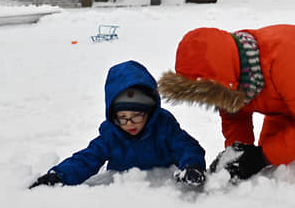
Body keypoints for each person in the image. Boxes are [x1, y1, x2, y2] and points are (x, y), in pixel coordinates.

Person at [157, 24, 295, 183]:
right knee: (277, 170)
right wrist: (237, 154)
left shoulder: (282, 61)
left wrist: (260, 156)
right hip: (286, 104)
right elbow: (235, 120)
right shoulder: (225, 75)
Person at [29, 60, 206, 189]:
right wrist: (59, 176)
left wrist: (193, 166)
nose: (129, 123)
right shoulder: (111, 135)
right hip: (125, 194)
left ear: (149, 112)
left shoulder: (164, 128)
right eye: (122, 117)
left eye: (136, 116)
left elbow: (186, 147)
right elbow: (87, 158)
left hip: (165, 193)